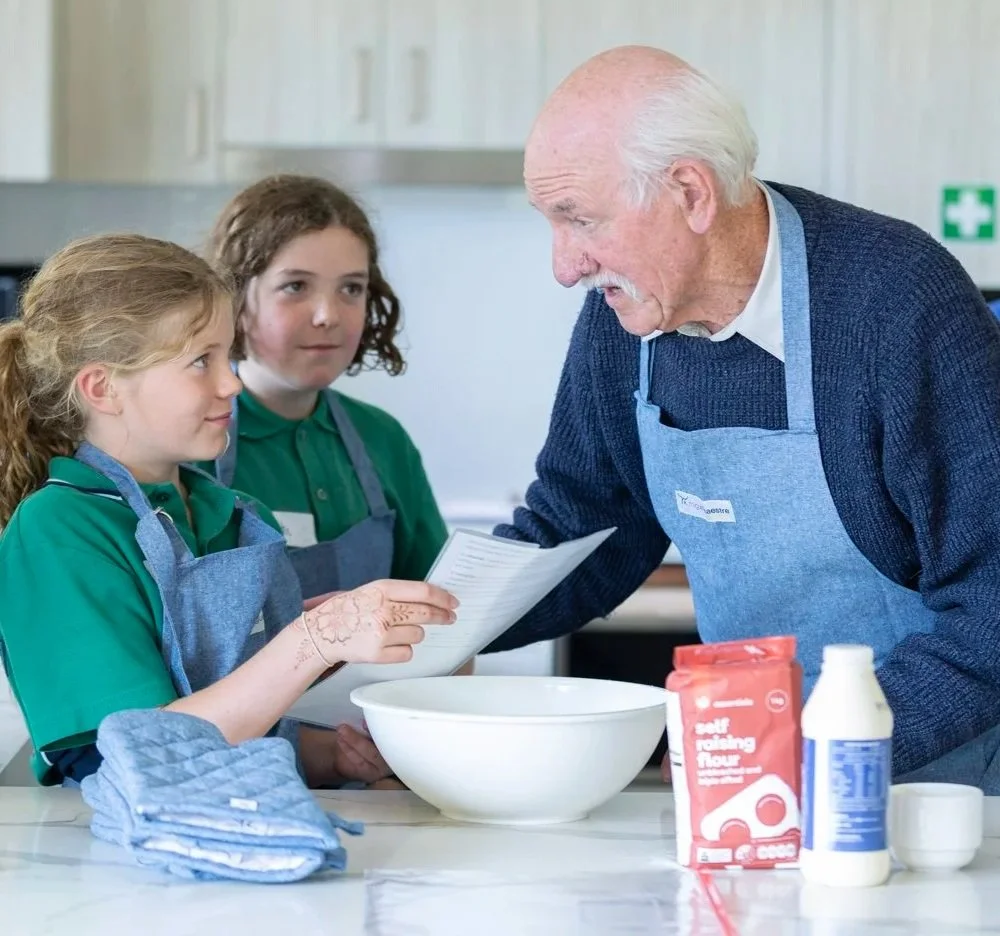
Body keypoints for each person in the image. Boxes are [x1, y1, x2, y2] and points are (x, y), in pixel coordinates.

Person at [482, 45, 1000, 791]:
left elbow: (992, 605)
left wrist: (807, 751)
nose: (565, 266)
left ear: (691, 193)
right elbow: (582, 528)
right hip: (756, 780)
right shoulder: (621, 320)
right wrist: (428, 619)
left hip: (938, 791)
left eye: (580, 219)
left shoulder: (897, 304)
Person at [0, 234, 457, 787]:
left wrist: (332, 755)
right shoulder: (59, 531)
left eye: (227, 354)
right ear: (103, 388)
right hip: (121, 859)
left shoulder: (230, 512)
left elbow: (247, 724)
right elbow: (138, 753)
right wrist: (313, 640)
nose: (232, 382)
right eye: (201, 362)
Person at [205, 174, 449, 603]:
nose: (327, 315)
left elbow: (440, 610)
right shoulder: (192, 439)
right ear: (237, 298)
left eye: (351, 289)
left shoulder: (383, 439)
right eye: (295, 286)